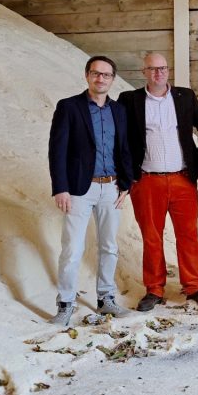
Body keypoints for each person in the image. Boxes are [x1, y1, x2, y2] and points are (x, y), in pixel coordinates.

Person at [119, 52, 198, 310]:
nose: (158, 73)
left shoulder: (185, 97)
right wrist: (129, 175)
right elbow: (120, 140)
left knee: (188, 235)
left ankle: (193, 286)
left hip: (182, 179)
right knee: (151, 237)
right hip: (147, 181)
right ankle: (154, 289)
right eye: (152, 69)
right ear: (144, 72)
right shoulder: (130, 100)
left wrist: (197, 164)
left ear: (168, 71)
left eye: (162, 68)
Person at [47, 56, 134, 327]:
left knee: (109, 246)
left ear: (112, 79)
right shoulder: (69, 107)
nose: (100, 78)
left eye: (106, 75)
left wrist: (127, 184)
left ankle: (106, 298)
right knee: (72, 248)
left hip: (112, 187)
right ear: (87, 75)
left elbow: (125, 148)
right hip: (78, 189)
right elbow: (57, 150)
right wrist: (61, 188)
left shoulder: (119, 110)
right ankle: (65, 304)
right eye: (96, 73)